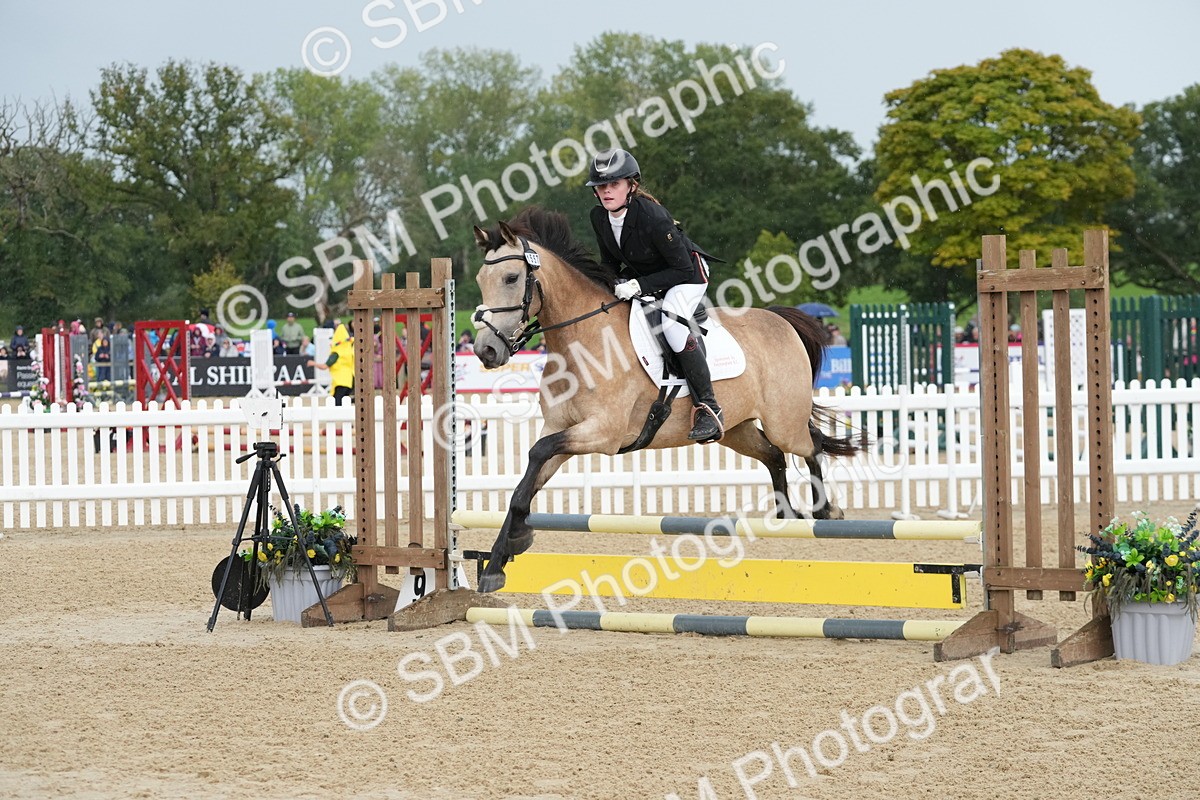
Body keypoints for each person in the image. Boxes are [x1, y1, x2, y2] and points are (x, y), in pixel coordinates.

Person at [586, 148, 723, 442]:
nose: (607, 191)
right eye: (601, 186)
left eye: (614, 185)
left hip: (688, 276)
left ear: (631, 186)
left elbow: (682, 268)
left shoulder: (653, 216)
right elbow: (610, 262)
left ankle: (708, 409)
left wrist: (638, 286)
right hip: (649, 276)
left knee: (671, 324)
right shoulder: (599, 217)